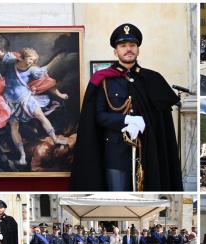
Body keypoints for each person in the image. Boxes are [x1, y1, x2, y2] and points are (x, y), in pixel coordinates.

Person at [70, 23, 183, 191]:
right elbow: (98, 116)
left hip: (148, 152)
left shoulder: (152, 79)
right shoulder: (103, 80)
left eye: (132, 45)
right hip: (116, 154)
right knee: (118, 197)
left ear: (138, 49)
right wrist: (126, 119)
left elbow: (162, 120)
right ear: (116, 51)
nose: (128, 49)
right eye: (123, 46)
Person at [0, 39, 69, 165]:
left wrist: (60, 94)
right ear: (22, 57)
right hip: (10, 102)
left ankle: (55, 139)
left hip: (26, 99)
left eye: (34, 61)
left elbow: (47, 82)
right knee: (14, 126)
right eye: (30, 59)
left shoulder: (33, 70)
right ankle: (22, 156)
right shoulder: (11, 61)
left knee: (41, 116)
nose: (32, 62)